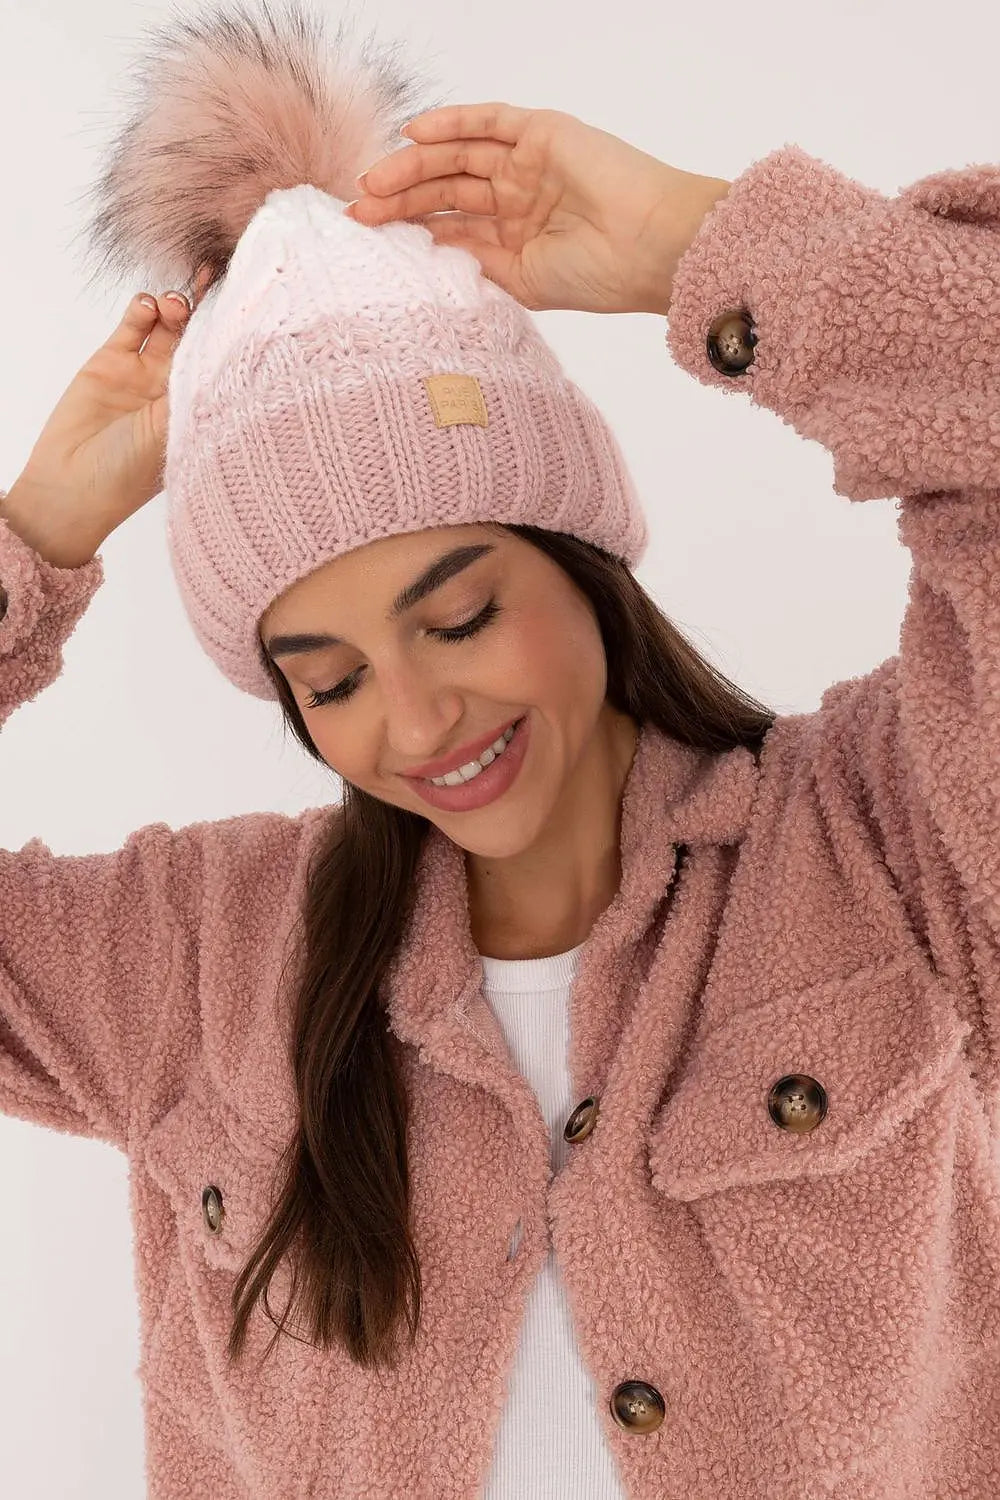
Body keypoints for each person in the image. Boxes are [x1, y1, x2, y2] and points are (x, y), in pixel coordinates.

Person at [1, 3, 998, 1497]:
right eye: (324, 680)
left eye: (459, 616)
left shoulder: (889, 840)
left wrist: (703, 247)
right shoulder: (192, 961)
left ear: (579, 559)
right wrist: (32, 544)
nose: (411, 726)